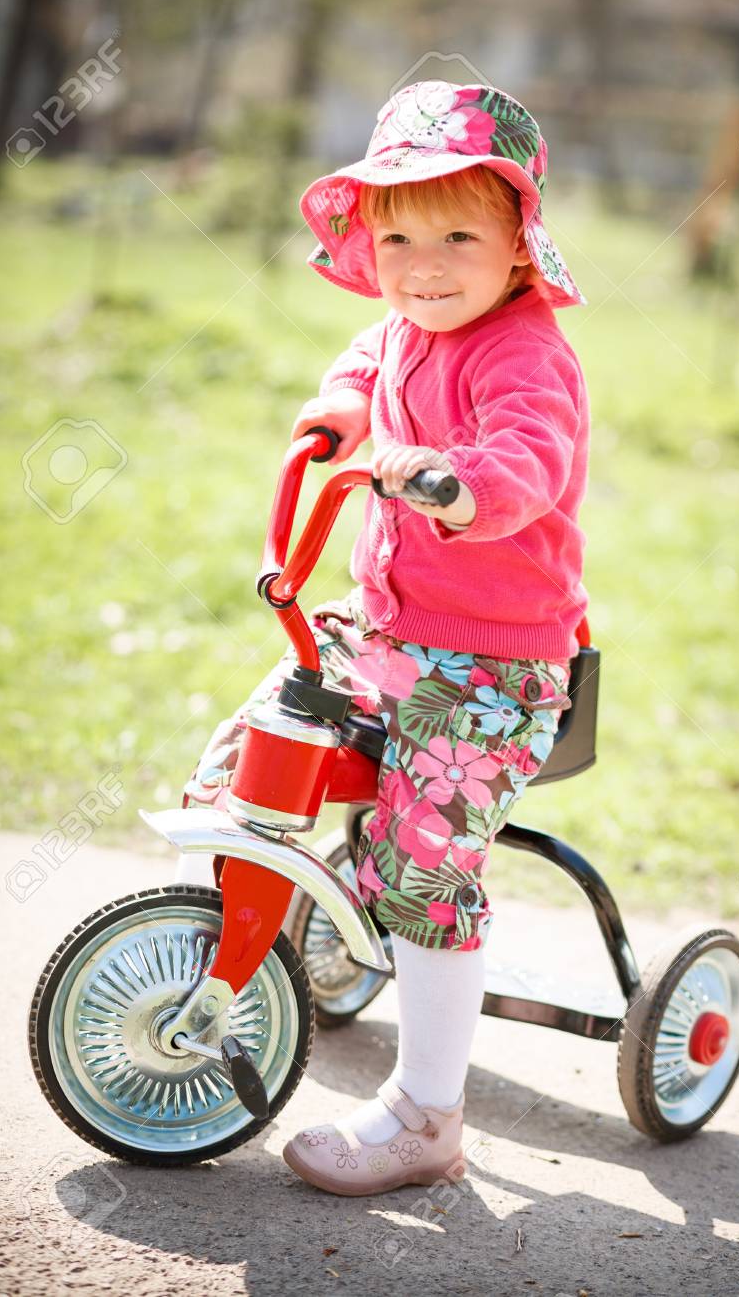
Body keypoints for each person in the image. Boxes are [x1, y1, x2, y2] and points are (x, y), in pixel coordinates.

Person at [176, 78, 590, 1195]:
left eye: (458, 236)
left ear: (518, 245)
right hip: (385, 630)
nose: (423, 265)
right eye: (398, 236)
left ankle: (427, 1116)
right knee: (257, 752)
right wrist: (343, 411)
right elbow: (368, 362)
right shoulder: (405, 327)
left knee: (422, 865)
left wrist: (457, 482)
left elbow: (528, 454)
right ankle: (241, 937)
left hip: (495, 668)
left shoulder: (527, 356)